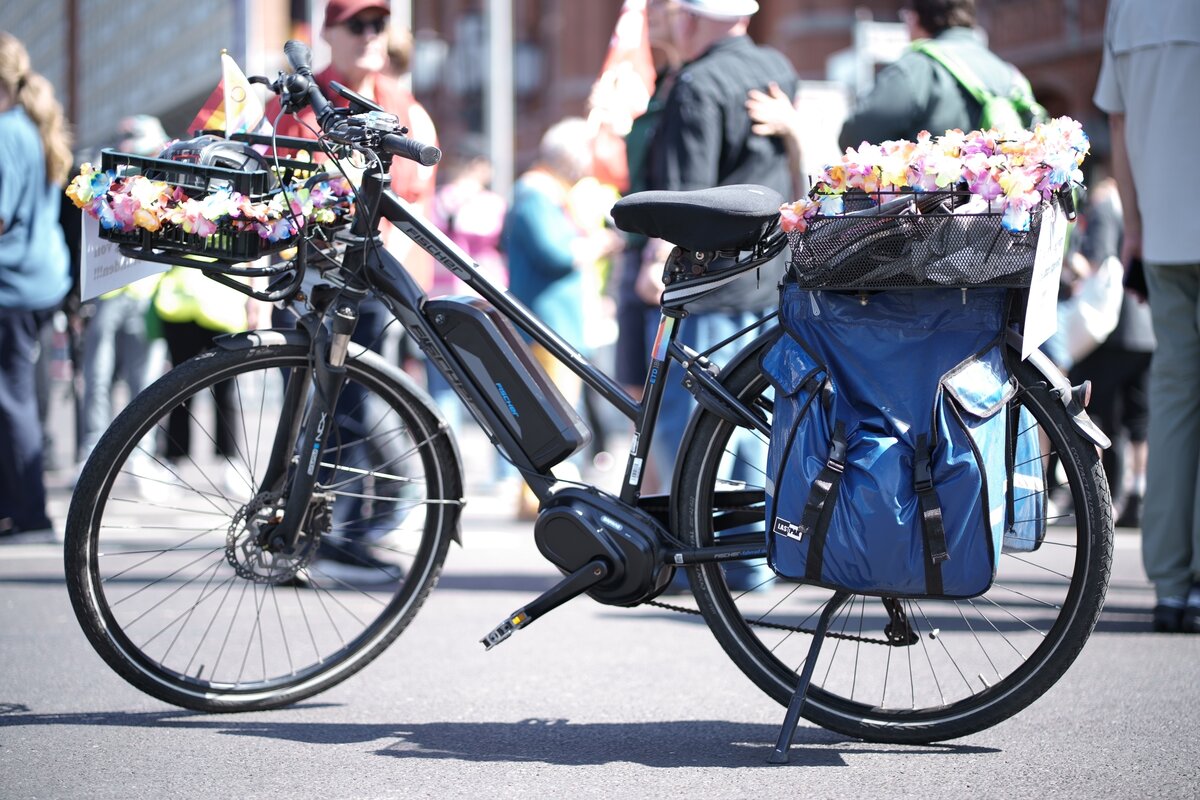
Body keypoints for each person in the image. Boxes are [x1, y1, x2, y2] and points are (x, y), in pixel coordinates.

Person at [638, 0, 797, 492]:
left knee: (689, 429)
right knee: (756, 423)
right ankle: (750, 553)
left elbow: (690, 200)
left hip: (709, 285)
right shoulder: (779, 69)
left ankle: (688, 546)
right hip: (770, 276)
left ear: (690, 19)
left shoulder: (697, 85)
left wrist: (654, 260)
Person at [1094, 0, 1200, 633]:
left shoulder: (1128, 10)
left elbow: (1120, 120)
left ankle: (1169, 580)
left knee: (1176, 395)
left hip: (1163, 234)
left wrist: (1134, 226)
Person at [501, 117, 621, 516]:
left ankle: (534, 495)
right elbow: (555, 253)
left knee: (550, 415)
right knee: (552, 417)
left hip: (554, 321)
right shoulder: (535, 194)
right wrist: (598, 245)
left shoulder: (541, 193)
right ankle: (537, 496)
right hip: (547, 324)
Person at [0, 32, 73, 541]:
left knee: (12, 400)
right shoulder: (29, 124)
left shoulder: (6, 132)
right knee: (18, 397)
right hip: (39, 279)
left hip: (12, 284)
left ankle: (27, 512)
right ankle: (19, 508)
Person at [74, 115, 170, 477]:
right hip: (108, 292)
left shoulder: (166, 180)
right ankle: (91, 452)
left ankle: (142, 458)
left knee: (144, 382)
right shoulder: (103, 178)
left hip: (148, 292)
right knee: (97, 377)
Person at [1066, 165, 1153, 530]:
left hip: (1111, 330)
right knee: (1139, 420)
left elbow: (1096, 263)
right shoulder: (1144, 203)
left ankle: (1104, 499)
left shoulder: (1104, 205)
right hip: (1146, 327)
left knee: (1103, 416)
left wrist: (1069, 263)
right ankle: (1138, 495)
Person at [839, 0, 1034, 149]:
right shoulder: (1007, 72)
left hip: (933, 201)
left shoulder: (916, 68)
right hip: (1000, 199)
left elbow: (854, 136)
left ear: (913, 18)